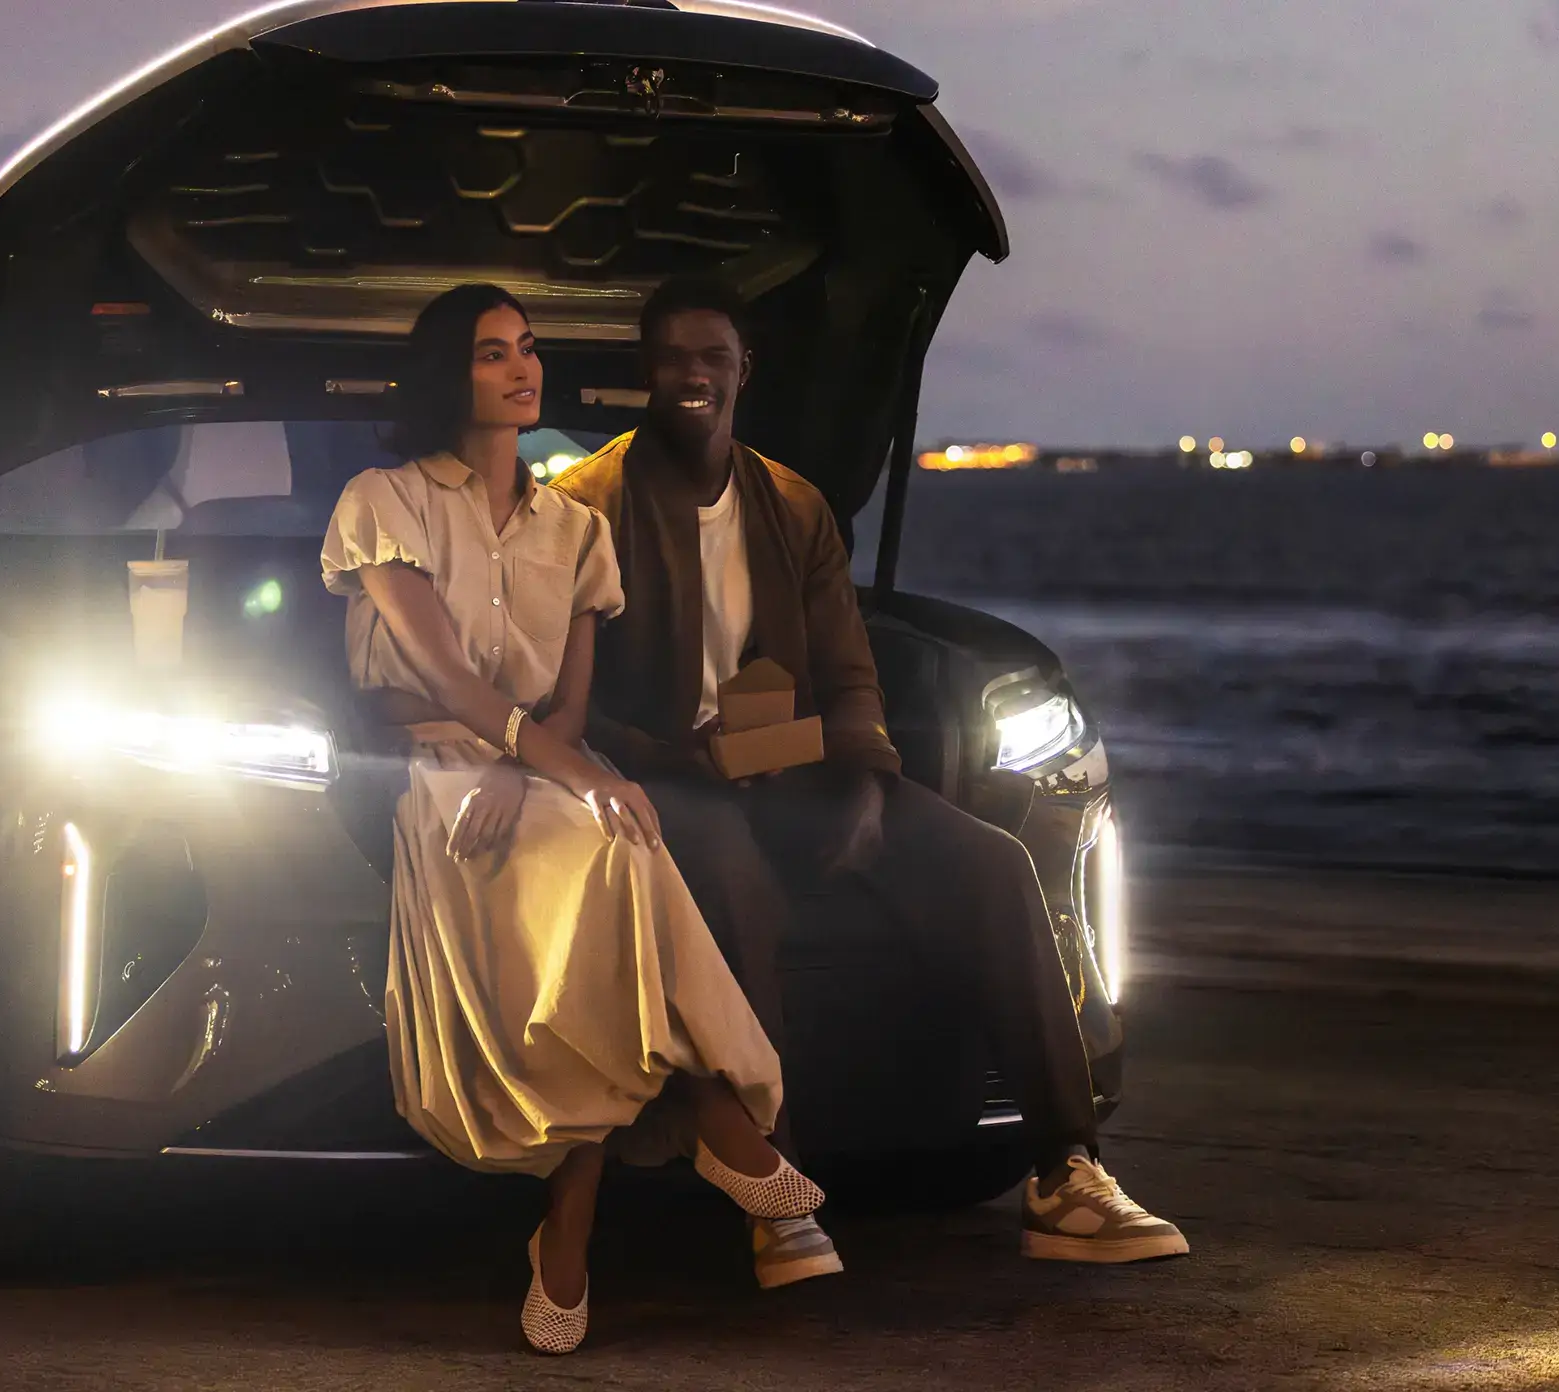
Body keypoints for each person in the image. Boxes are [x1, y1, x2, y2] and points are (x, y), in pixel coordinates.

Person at [551, 276, 1188, 1265]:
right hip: (665, 782)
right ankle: (779, 1196)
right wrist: (670, 760)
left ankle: (1067, 1171)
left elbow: (850, 677)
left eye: (712, 359)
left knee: (989, 864)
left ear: (742, 372)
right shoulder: (579, 507)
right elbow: (568, 699)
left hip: (800, 773)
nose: (692, 376)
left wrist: (864, 785)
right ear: (646, 369)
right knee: (733, 885)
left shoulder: (793, 503)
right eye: (673, 357)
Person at [319, 283, 841, 1357]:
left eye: (527, 348)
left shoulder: (575, 524)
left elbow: (569, 696)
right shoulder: (385, 499)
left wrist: (548, 767)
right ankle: (716, 1118)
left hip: (540, 768)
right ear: (447, 375)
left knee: (615, 841)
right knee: (610, 839)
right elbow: (445, 681)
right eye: (490, 353)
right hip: (436, 774)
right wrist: (540, 767)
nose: (522, 368)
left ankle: (570, 1230)